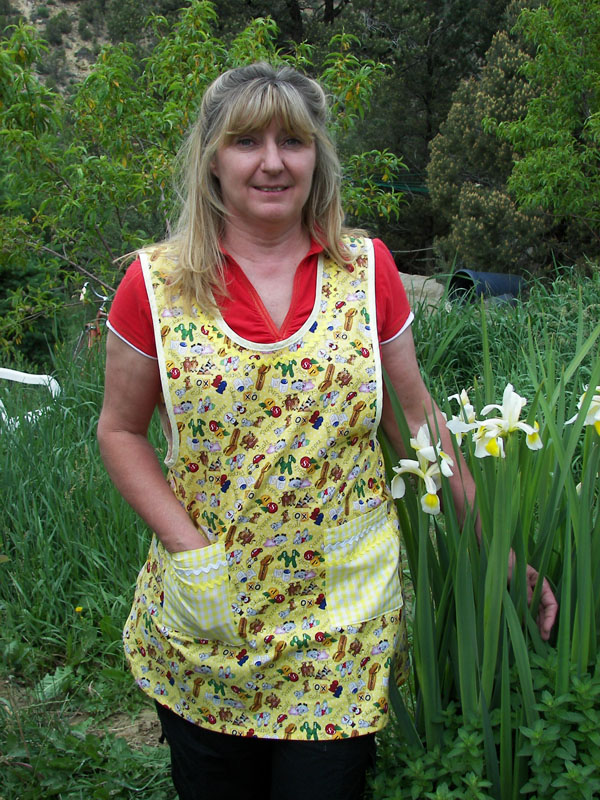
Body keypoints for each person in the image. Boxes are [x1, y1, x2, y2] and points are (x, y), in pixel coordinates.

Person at [97, 63, 557, 800]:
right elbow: (120, 430)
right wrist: (189, 553)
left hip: (343, 625)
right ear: (212, 157)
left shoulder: (365, 269)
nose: (273, 161)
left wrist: (500, 557)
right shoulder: (156, 284)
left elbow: (417, 424)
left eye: (294, 141)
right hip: (209, 617)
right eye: (247, 140)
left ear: (319, 158)